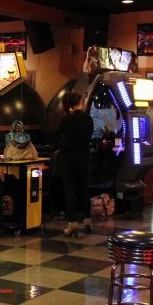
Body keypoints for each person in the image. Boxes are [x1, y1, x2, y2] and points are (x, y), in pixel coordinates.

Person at [56, 91, 94, 236]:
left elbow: (57, 136)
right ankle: (87, 219)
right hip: (83, 159)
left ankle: (72, 223)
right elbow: (89, 137)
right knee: (84, 191)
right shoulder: (88, 119)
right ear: (80, 102)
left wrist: (65, 144)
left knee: (70, 192)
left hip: (68, 160)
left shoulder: (66, 119)